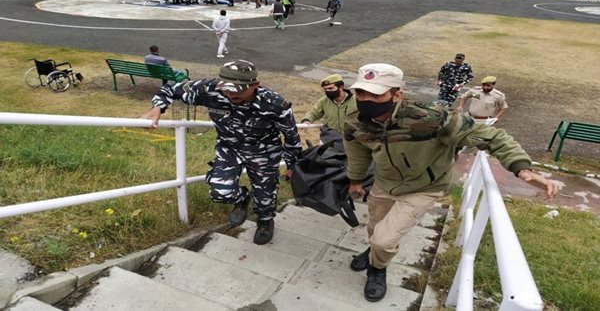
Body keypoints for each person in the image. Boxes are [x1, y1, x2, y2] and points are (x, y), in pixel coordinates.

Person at [343, 63, 560, 302]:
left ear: (397, 95)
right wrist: (355, 181)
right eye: (361, 93)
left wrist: (521, 168)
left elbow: (491, 136)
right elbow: (357, 154)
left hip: (423, 188)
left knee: (384, 239)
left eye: (376, 94)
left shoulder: (432, 118)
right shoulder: (355, 122)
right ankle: (375, 252)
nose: (366, 100)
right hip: (384, 185)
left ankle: (377, 269)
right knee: (376, 229)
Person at [140, 60, 302, 245]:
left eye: (238, 90)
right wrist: (157, 108)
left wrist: (293, 165)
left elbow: (291, 136)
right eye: (227, 89)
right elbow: (170, 89)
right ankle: (242, 199)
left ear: (255, 85)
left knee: (265, 194)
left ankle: (265, 222)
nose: (231, 94)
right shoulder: (210, 89)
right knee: (220, 191)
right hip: (229, 147)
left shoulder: (274, 104)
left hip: (264, 151)